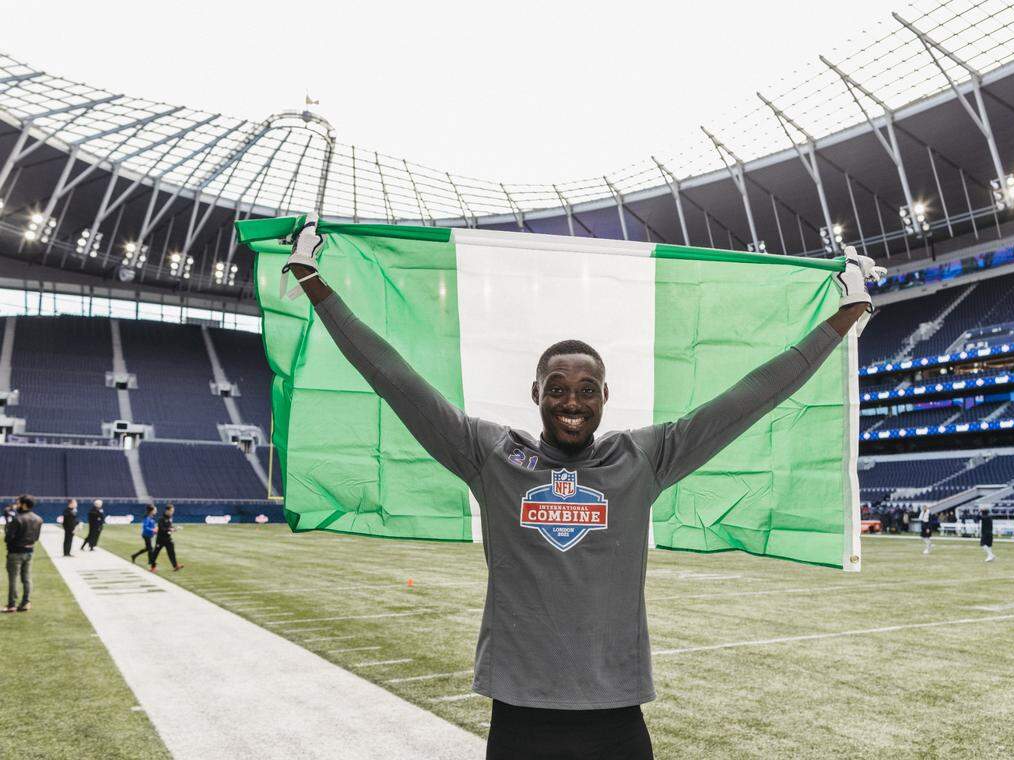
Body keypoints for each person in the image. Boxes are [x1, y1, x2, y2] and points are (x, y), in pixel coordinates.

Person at [281, 217, 882, 759]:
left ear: (604, 397)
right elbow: (393, 378)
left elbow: (749, 398)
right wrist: (314, 282)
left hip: (616, 716)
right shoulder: (491, 454)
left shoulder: (642, 456)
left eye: (586, 388)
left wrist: (842, 320)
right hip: (519, 713)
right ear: (535, 394)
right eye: (558, 387)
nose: (572, 401)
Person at [4, 495, 43, 613]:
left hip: (15, 552)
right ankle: (25, 602)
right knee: (26, 578)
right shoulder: (38, 519)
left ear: (24, 504)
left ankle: (12, 604)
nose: (17, 505)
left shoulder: (18, 519)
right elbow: (36, 538)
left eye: (18, 503)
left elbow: (8, 538)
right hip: (29, 551)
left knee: (13, 579)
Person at [149, 504, 183, 572]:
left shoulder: (170, 518)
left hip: (168, 538)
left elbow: (169, 526)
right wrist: (171, 530)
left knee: (171, 552)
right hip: (160, 539)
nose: (172, 512)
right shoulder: (161, 519)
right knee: (155, 553)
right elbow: (162, 529)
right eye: (171, 511)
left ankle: (175, 566)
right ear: (167, 511)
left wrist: (174, 528)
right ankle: (153, 567)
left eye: (173, 511)